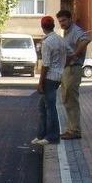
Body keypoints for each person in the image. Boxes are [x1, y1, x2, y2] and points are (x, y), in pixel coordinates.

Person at [57, 9, 91, 140]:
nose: (62, 23)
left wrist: (74, 55)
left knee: (71, 99)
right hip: (67, 69)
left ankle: (75, 130)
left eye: (64, 20)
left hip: (73, 68)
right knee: (66, 98)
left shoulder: (76, 30)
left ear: (70, 19)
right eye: (60, 21)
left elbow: (85, 40)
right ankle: (71, 129)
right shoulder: (67, 32)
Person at [32, 16, 66, 146]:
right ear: (53, 26)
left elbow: (45, 65)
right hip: (59, 76)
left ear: (42, 27)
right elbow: (69, 54)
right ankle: (41, 134)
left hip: (49, 77)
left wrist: (40, 83)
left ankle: (52, 136)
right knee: (43, 106)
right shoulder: (60, 40)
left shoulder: (47, 42)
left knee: (50, 107)